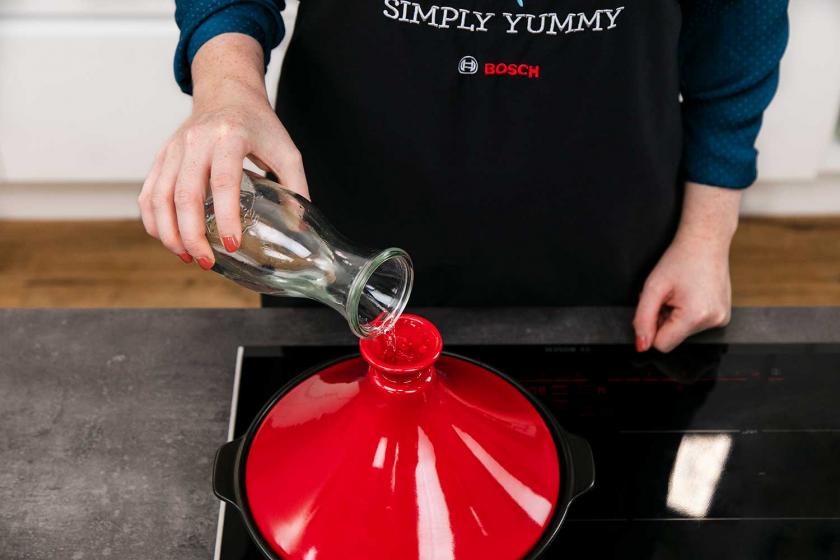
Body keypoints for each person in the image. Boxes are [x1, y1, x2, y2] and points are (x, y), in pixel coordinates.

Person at [138, 0, 789, 353]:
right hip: (343, 226)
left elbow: (741, 20)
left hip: (602, 218)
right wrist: (226, 88)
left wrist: (709, 231)